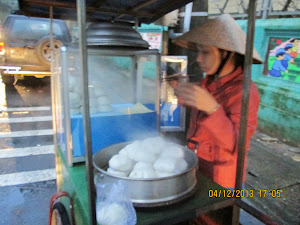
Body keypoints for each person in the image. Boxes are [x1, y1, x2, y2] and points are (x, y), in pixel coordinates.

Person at [172, 13, 262, 225]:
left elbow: (237, 143)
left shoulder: (245, 91)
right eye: (198, 52)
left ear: (227, 54)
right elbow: (198, 116)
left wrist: (212, 108)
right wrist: (183, 95)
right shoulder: (208, 81)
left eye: (205, 52)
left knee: (215, 220)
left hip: (222, 180)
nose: (198, 59)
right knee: (195, 217)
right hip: (196, 168)